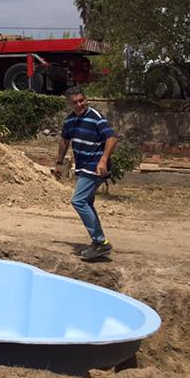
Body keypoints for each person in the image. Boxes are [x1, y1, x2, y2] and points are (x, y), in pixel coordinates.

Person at [53, 87, 118, 261]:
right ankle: (98, 241)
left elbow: (112, 138)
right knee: (87, 202)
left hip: (95, 166)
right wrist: (59, 163)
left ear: (86, 99)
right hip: (83, 166)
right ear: (69, 104)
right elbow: (64, 141)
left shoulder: (95, 116)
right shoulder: (70, 120)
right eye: (75, 102)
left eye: (82, 100)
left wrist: (103, 160)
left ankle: (100, 242)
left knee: (78, 200)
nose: (80, 104)